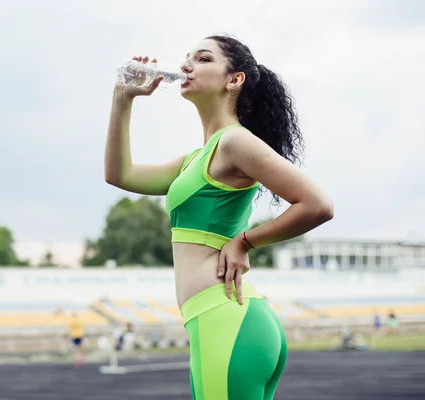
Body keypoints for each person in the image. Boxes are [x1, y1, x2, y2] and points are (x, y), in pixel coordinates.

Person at [104, 34, 334, 399]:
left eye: (203, 58)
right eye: (187, 58)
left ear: (234, 79)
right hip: (216, 320)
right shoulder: (196, 159)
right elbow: (120, 175)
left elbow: (317, 204)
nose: (185, 66)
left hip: (227, 319)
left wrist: (246, 241)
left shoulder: (234, 142)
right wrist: (122, 99)